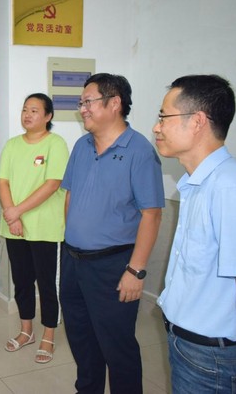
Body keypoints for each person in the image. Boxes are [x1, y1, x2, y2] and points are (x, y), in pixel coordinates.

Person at [153, 74, 236, 394]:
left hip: (213, 359)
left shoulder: (230, 187)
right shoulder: (199, 183)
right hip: (190, 346)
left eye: (164, 117)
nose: (157, 127)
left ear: (197, 121)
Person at [60, 73, 164, 393]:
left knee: (117, 348)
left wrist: (135, 270)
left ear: (114, 103)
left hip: (113, 266)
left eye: (88, 102)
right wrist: (72, 240)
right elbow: (70, 195)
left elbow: (152, 214)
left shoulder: (139, 151)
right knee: (81, 339)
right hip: (73, 261)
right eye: (81, 103)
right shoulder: (81, 146)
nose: (82, 109)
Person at [0, 93, 69, 364]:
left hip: (45, 228)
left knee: (48, 284)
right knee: (22, 281)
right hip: (14, 227)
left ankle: (48, 334)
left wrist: (17, 211)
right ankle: (26, 330)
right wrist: (12, 216)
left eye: (35, 110)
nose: (27, 115)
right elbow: (2, 181)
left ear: (48, 116)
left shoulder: (55, 144)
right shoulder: (13, 145)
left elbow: (52, 184)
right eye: (25, 109)